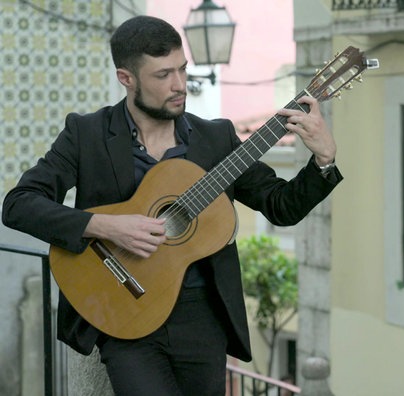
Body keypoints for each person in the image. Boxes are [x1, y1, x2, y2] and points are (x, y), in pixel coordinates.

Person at [2, 15, 342, 396]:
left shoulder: (216, 139)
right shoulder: (87, 134)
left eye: (182, 69)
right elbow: (18, 205)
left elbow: (282, 206)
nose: (179, 85)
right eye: (163, 75)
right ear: (126, 78)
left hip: (203, 317)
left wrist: (324, 160)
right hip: (123, 310)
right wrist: (104, 226)